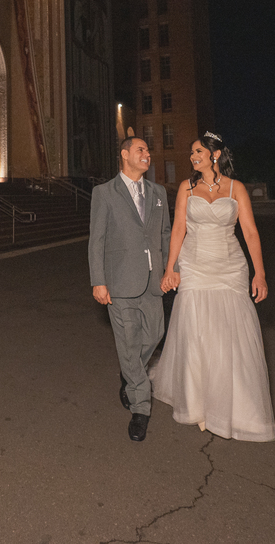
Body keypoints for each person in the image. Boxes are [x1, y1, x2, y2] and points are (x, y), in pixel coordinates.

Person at [150, 132, 275, 442]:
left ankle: (232, 406)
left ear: (215, 154)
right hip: (194, 264)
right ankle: (198, 404)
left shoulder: (237, 189)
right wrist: (171, 268)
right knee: (196, 333)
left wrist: (259, 274)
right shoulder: (186, 188)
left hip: (230, 266)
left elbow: (250, 232)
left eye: (198, 151)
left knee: (228, 336)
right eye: (192, 152)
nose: (193, 156)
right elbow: (178, 228)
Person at [89, 137, 172, 442]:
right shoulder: (104, 193)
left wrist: (170, 270)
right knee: (128, 342)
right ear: (124, 155)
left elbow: (164, 233)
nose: (147, 154)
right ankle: (140, 408)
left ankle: (128, 373)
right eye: (141, 150)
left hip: (152, 281)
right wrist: (98, 279)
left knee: (154, 335)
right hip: (120, 282)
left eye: (149, 150)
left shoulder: (158, 192)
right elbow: (96, 239)